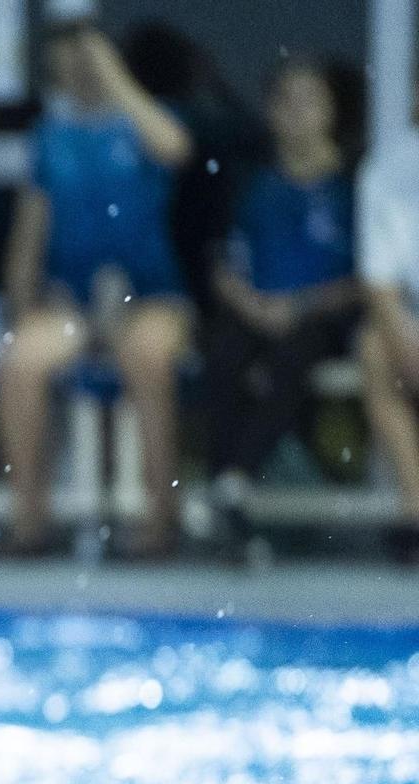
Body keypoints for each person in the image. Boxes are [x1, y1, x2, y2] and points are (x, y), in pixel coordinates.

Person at [0, 22, 193, 558]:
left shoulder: (143, 124)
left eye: (87, 60)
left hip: (150, 296)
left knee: (146, 357)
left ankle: (160, 519)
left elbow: (175, 149)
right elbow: (30, 231)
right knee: (19, 361)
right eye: (66, 62)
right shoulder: (51, 139)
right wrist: (20, 305)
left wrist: (115, 78)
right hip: (74, 301)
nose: (77, 71)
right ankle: (29, 519)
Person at [202, 58, 360, 556]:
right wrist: (252, 305)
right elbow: (220, 263)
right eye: (285, 101)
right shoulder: (250, 182)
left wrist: (302, 305)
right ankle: (226, 486)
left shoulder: (352, 185)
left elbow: (368, 279)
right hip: (255, 310)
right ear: (270, 111)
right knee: (222, 354)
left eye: (310, 100)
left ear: (332, 111)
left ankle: (233, 479)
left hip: (321, 318)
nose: (297, 113)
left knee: (294, 355)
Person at [357, 125, 419, 561]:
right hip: (410, 317)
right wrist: (405, 338)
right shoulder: (390, 168)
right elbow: (379, 280)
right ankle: (415, 506)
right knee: (375, 349)